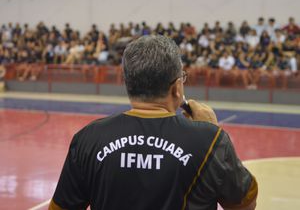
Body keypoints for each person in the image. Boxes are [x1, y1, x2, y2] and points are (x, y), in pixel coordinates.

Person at [50, 35, 258, 210]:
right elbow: (244, 204)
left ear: (128, 83)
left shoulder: (88, 138)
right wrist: (211, 131)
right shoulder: (210, 140)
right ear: (177, 87)